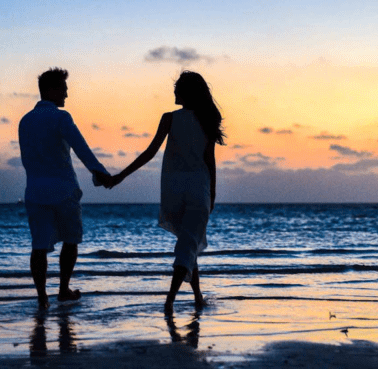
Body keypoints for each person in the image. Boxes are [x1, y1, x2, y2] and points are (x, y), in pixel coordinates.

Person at [110, 71, 224, 313]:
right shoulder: (207, 119)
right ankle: (170, 301)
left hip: (173, 192)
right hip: (198, 190)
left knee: (188, 244)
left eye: (177, 88)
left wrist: (121, 176)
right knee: (187, 246)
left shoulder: (169, 118)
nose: (173, 92)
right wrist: (212, 194)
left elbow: (150, 153)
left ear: (186, 92)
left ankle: (197, 298)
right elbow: (209, 160)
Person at [19, 67, 112, 309]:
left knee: (39, 246)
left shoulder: (25, 121)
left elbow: (26, 157)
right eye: (63, 89)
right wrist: (99, 172)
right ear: (51, 89)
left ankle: (42, 297)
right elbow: (80, 147)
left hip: (35, 191)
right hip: (63, 189)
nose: (66, 95)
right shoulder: (61, 117)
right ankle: (62, 290)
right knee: (71, 240)